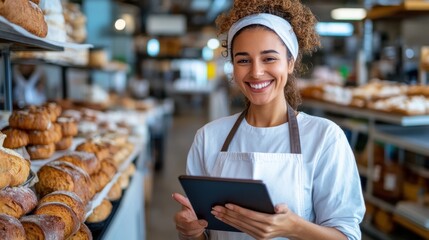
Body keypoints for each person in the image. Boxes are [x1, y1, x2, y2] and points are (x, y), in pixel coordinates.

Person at [172, 0, 365, 239]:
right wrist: (190, 232)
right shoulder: (209, 137)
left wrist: (293, 227)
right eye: (243, 60)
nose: (256, 72)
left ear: (290, 62)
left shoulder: (325, 137)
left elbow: (348, 235)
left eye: (269, 58)